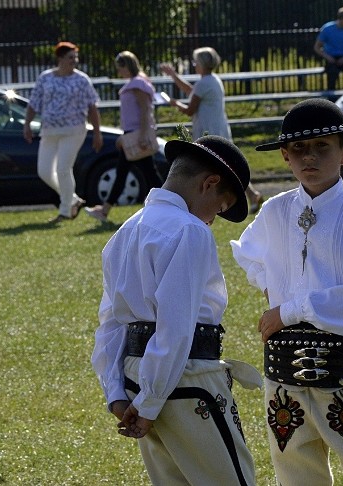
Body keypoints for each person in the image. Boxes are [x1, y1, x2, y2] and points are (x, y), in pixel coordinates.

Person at [230, 98, 343, 486]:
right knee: (296, 475)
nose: (309, 158)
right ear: (284, 157)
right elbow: (251, 256)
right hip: (283, 369)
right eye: (298, 149)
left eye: (322, 147)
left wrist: (289, 310)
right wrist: (272, 290)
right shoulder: (275, 210)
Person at [91, 134, 262, 486]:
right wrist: (152, 401)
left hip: (137, 377)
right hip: (185, 376)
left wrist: (116, 393)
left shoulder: (124, 231)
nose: (212, 219)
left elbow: (111, 323)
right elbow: (176, 327)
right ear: (209, 183)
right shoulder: (189, 230)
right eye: (218, 207)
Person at [161, 47, 264, 213]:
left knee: (215, 167)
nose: (195, 65)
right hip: (218, 126)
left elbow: (189, 109)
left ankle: (240, 196)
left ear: (202, 63)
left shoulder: (204, 83)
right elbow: (191, 91)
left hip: (209, 130)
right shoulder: (212, 80)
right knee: (229, 166)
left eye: (196, 62)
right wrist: (173, 76)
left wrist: (173, 103)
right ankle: (252, 194)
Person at [23, 41, 103, 223]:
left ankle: (65, 211)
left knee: (63, 169)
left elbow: (92, 107)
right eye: (70, 57)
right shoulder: (45, 77)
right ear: (60, 58)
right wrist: (27, 124)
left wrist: (97, 133)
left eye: (75, 57)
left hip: (74, 130)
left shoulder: (82, 80)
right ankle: (73, 199)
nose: (74, 61)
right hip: (49, 130)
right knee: (44, 171)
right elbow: (33, 103)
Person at [85, 51, 162, 223]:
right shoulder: (137, 83)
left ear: (127, 66)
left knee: (145, 174)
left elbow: (144, 111)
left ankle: (105, 210)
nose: (119, 72)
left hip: (136, 134)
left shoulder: (138, 84)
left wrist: (141, 135)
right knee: (138, 173)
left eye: (120, 67)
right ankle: (104, 210)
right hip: (133, 133)